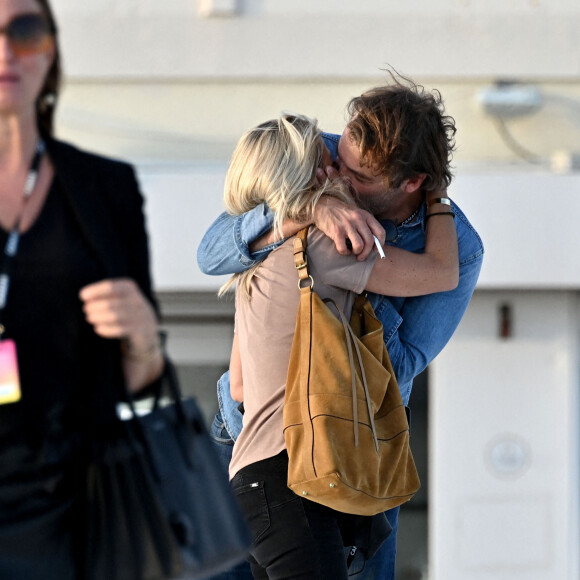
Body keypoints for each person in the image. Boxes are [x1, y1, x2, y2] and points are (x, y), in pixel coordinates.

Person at [198, 76, 484, 579]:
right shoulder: (320, 177)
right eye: (334, 163)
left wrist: (351, 300)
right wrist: (309, 210)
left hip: (341, 448)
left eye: (356, 175)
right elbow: (210, 252)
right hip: (277, 450)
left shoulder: (458, 243)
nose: (337, 174)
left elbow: (400, 366)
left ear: (412, 181)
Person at [0, 0, 163, 578]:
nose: (5, 51)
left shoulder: (103, 188)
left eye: (23, 31)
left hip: (65, 502)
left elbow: (141, 377)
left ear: (50, 50)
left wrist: (144, 337)